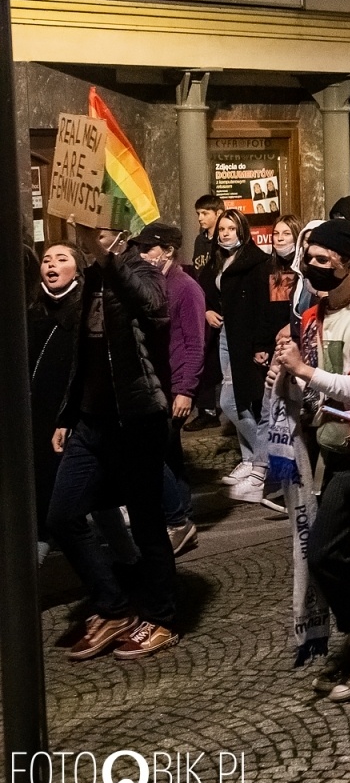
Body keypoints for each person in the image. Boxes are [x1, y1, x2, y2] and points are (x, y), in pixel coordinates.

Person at [47, 227, 179, 660]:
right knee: (63, 515)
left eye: (99, 231)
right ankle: (113, 606)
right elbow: (82, 354)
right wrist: (67, 414)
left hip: (136, 419)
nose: (91, 238)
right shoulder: (90, 277)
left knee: (146, 522)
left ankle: (161, 616)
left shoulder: (143, 268)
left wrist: (110, 262)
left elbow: (154, 308)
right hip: (91, 422)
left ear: (120, 234)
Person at [271, 219, 350, 703]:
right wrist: (284, 374)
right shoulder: (312, 316)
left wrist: (303, 369)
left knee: (323, 552)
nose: (313, 267)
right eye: (309, 259)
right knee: (339, 552)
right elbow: (309, 385)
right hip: (327, 447)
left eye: (323, 260)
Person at [128, 224, 207, 556]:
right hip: (155, 383)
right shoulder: (150, 283)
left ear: (169, 251)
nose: (142, 254)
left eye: (149, 248)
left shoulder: (186, 288)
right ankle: (180, 519)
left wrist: (186, 389)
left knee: (156, 453)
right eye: (140, 248)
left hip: (173, 386)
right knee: (169, 455)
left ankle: (179, 521)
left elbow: (195, 344)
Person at [207, 209, 288, 508]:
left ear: (242, 230)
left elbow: (269, 308)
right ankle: (251, 460)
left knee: (231, 401)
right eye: (222, 229)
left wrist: (261, 343)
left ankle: (264, 461)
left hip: (246, 338)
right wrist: (208, 309)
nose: (225, 233)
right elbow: (211, 289)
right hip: (226, 334)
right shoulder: (220, 259)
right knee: (239, 401)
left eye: (231, 228)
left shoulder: (260, 263)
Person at [29, 244, 86, 562]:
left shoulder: (84, 311)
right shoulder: (32, 311)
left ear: (77, 269)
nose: (51, 265)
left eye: (61, 259)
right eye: (46, 260)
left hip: (69, 414)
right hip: (35, 412)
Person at [187, 193, 226, 431]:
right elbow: (198, 275)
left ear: (218, 213)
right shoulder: (200, 241)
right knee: (205, 359)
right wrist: (204, 309)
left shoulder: (225, 240)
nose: (200, 218)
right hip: (205, 307)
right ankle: (207, 410)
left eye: (205, 213)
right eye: (198, 214)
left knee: (224, 361)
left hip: (223, 307)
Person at [268, 214, 303, 328]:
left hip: (298, 329)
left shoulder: (305, 267)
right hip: (272, 332)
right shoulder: (266, 267)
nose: (280, 238)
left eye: (286, 234)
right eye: (276, 233)